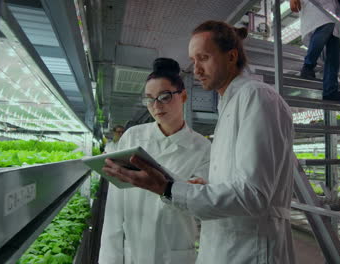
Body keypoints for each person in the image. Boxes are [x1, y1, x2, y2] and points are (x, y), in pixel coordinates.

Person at [104, 20, 297, 264]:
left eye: (203, 58)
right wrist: (203, 186)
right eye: (193, 61)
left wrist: (169, 188)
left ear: (231, 56)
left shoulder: (256, 96)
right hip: (224, 249)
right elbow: (238, 185)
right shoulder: (229, 105)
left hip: (252, 252)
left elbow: (255, 194)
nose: (196, 70)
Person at [99, 58, 211, 264]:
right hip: (133, 253)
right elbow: (115, 207)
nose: (156, 106)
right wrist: (109, 259)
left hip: (176, 255)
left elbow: (201, 204)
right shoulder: (133, 137)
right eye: (149, 99)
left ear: (183, 96)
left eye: (164, 97)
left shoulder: (203, 149)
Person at [290, 0, 340, 102]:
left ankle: (330, 92)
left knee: (334, 56)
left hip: (335, 10)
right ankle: (308, 66)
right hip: (316, 6)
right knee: (326, 24)